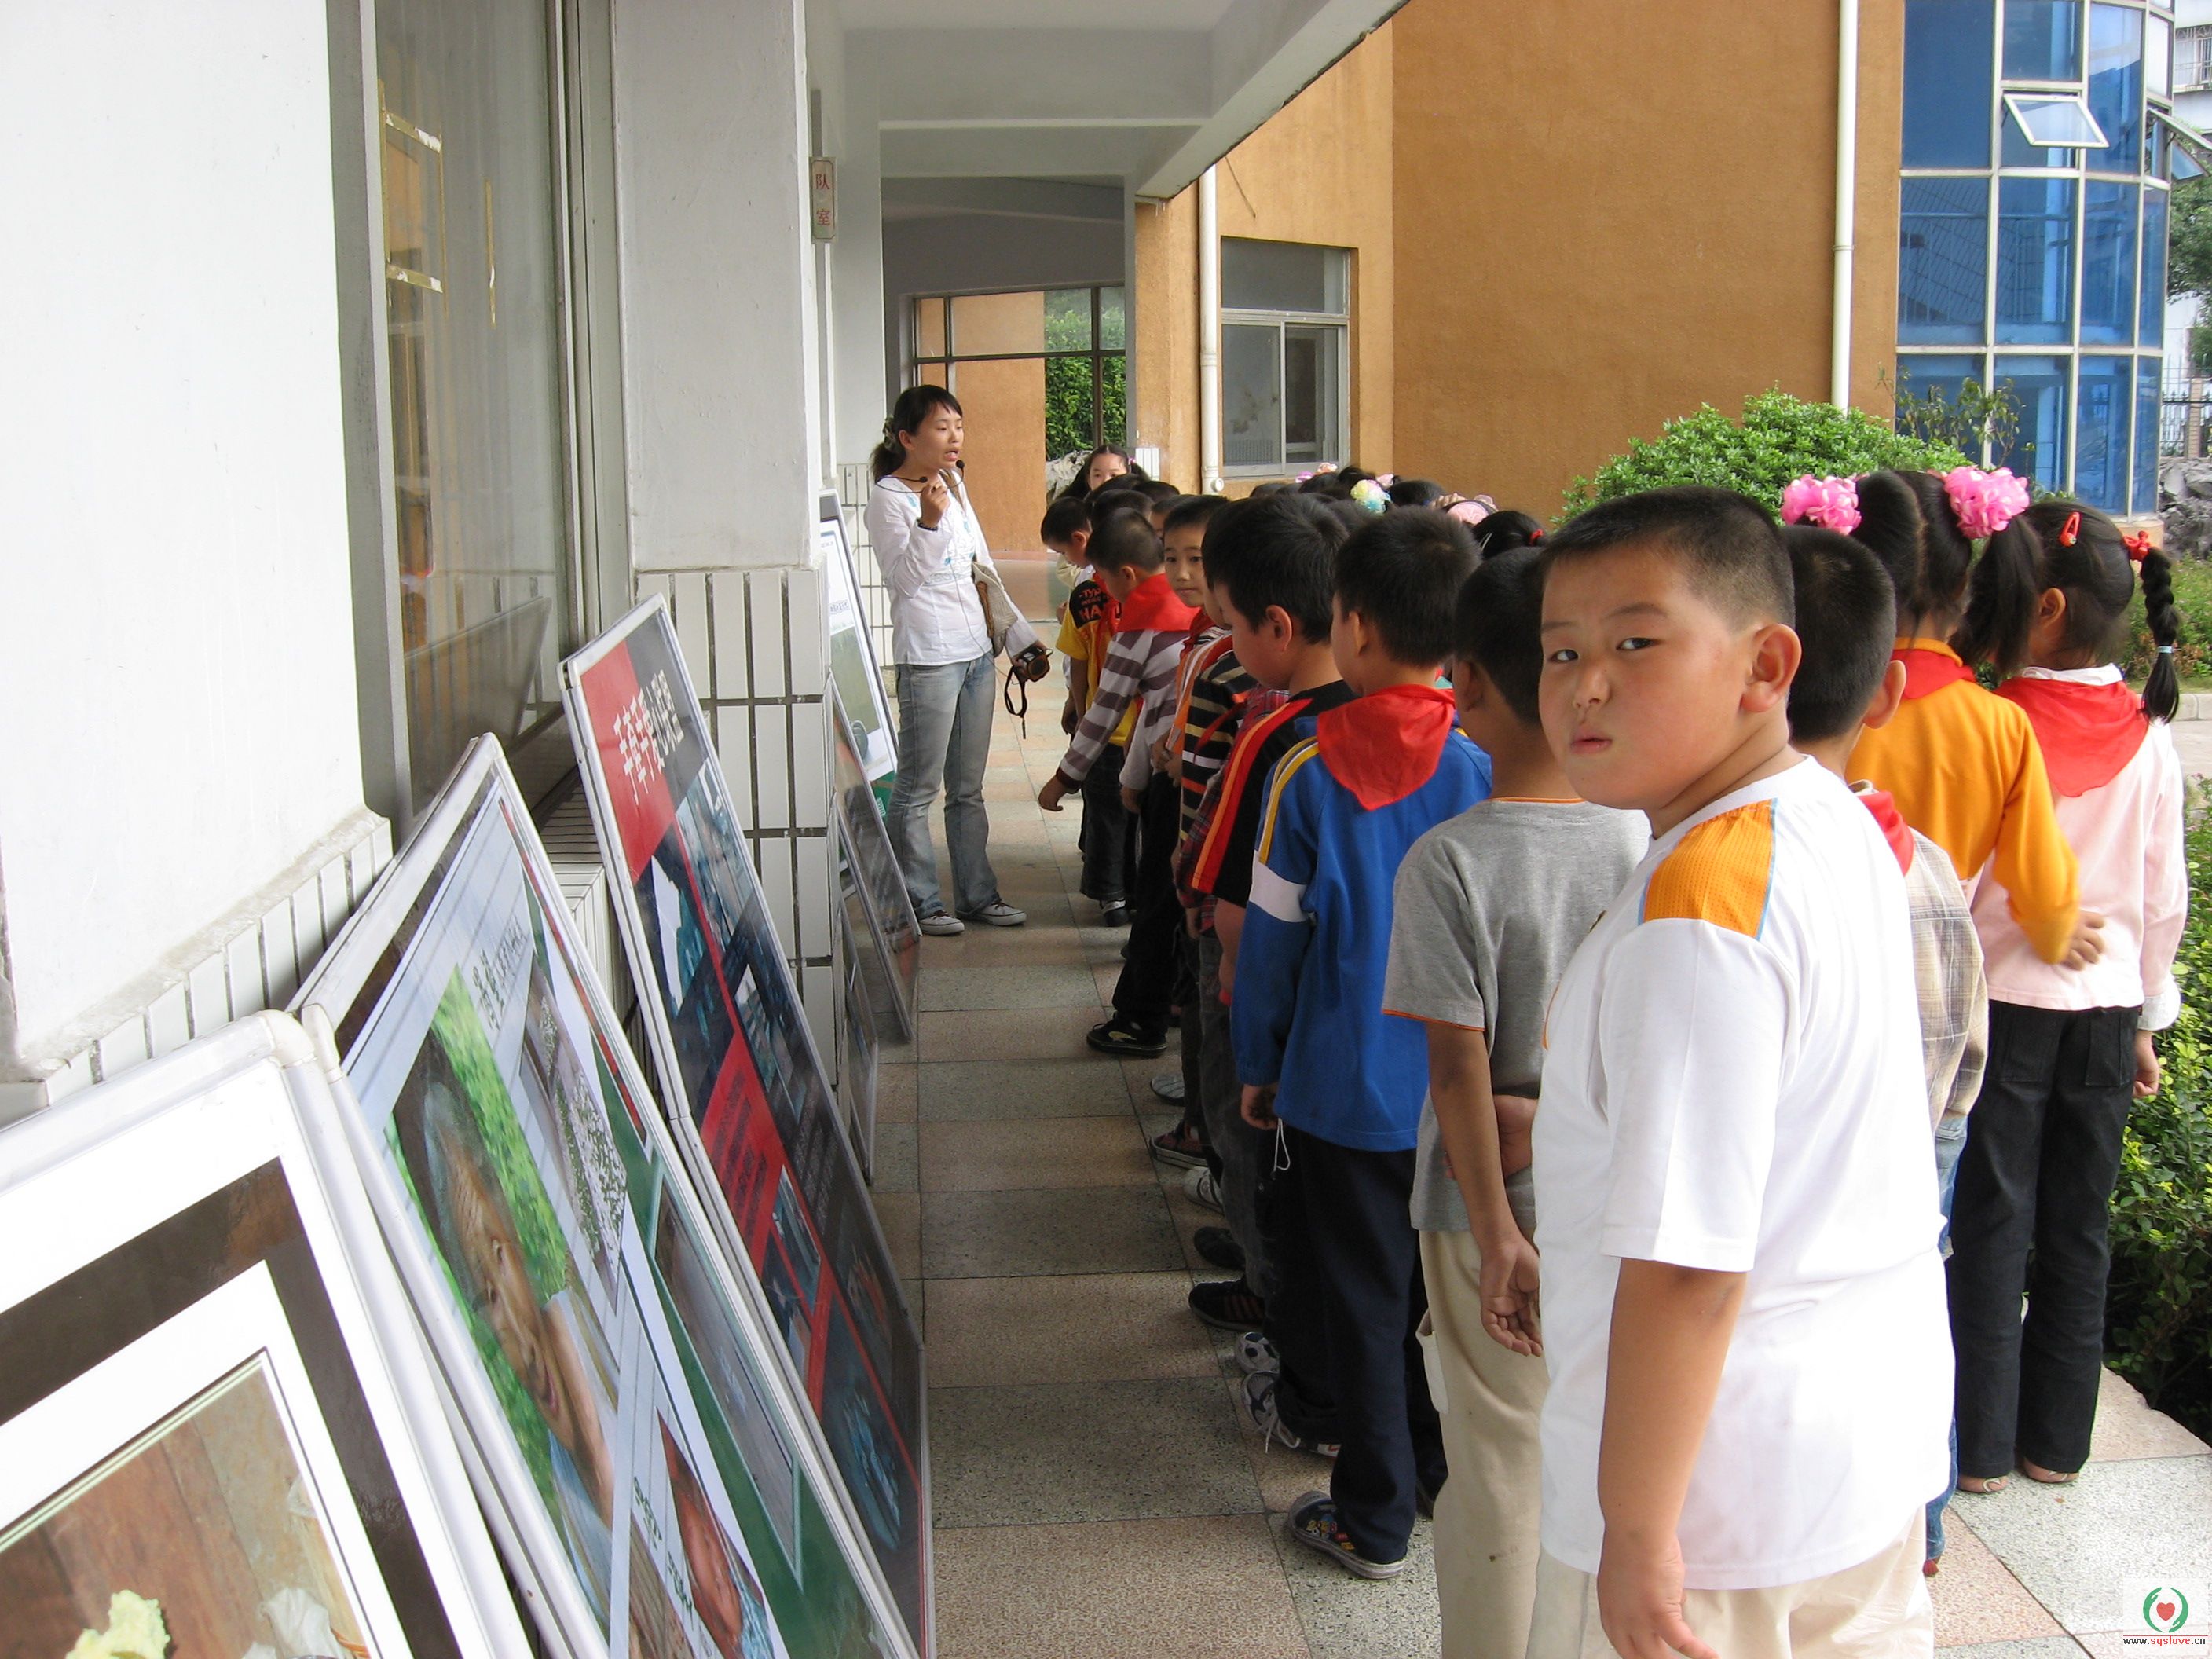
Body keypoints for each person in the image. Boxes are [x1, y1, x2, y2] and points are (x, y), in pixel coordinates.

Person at [1528, 487, 1950, 1659]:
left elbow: (1689, 1265)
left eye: (1635, 643)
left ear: (1766, 667)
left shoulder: (1701, 905)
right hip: (1853, 1455)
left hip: (1714, 1516)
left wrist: (1636, 1530)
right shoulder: (1826, 816)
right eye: (1560, 651)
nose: (1585, 686)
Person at [1382, 546, 1646, 1654]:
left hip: (1481, 1205)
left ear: (1471, 683)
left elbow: (1457, 1071)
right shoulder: (1646, 839)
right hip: (1614, 1200)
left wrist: (1496, 1235)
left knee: (1495, 1459)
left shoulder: (1447, 862)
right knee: (1595, 1446)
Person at [1236, 508, 1492, 1580]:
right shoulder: (1488, 765)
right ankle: (1439, 1477)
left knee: (1363, 1300)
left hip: (1341, 1090)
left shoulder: (1306, 771)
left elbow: (1271, 942)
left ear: (1353, 628)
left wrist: (1259, 1065)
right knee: (1443, 1300)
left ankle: (1373, 1517)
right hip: (1464, 1095)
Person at [1946, 502, 2186, 1496]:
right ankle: (2056, 1445)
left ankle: (1979, 1452)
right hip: (2103, 1015)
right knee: (2077, 1229)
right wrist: (2145, 1018)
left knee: (1990, 1226)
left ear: (2041, 609)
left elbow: (1955, 881)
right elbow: (2161, 897)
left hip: (2000, 1011)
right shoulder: (2149, 740)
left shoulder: (1993, 727)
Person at [1782, 520, 1991, 1572]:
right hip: (1921, 1138)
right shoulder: (1925, 866)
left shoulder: (1733, 871)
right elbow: (1965, 1030)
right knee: (1912, 1324)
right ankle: (1924, 1526)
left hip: (1808, 1184)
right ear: (1885, 693)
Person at [1181, 494, 1356, 1350]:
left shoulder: (1279, 735)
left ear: (1276, 627)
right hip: (1337, 994)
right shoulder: (1378, 718)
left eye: (1233, 623)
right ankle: (1270, 1262)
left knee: (1242, 1126)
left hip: (1257, 988)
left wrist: (1228, 987)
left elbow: (1231, 902)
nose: (1228, 641)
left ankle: (1266, 1286)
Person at [1840, 468, 2083, 967]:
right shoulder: (2000, 725)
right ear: (1963, 589)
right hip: (1936, 957)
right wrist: (2058, 932)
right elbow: (2039, 879)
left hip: (1820, 946)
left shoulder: (1809, 703)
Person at [863, 386, 1025, 936]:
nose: (954, 437)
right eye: (941, 427)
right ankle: (921, 902)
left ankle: (979, 896)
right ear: (907, 438)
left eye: (958, 426)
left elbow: (981, 565)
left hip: (976, 650)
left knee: (968, 788)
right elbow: (904, 582)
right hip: (930, 655)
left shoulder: (954, 481)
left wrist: (1018, 637)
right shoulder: (888, 498)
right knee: (918, 788)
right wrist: (929, 524)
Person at [1038, 509, 1196, 1016]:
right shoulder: (1196, 611)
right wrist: (1132, 775)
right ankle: (1177, 995)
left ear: (1125, 575)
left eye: (1104, 580)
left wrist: (1063, 778)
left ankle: (1144, 1014)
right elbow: (1156, 710)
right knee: (1181, 893)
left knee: (1158, 893)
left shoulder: (1140, 628)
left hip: (1174, 776)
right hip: (1192, 767)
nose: (1102, 589)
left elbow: (1106, 711)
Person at [1060, 486, 1154, 924]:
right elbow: (1080, 659)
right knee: (1122, 817)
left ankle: (1115, 895)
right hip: (1133, 732)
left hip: (1116, 731)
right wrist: (1081, 713)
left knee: (1111, 818)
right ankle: (1122, 894)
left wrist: (1081, 713)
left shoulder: (1090, 595)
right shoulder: (1155, 598)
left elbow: (1079, 664)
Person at [1058, 441, 1142, 499]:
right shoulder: (1078, 514)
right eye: (1097, 475)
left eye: (1114, 475)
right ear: (1089, 480)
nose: (1106, 481)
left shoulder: (1141, 510)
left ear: (1128, 476)